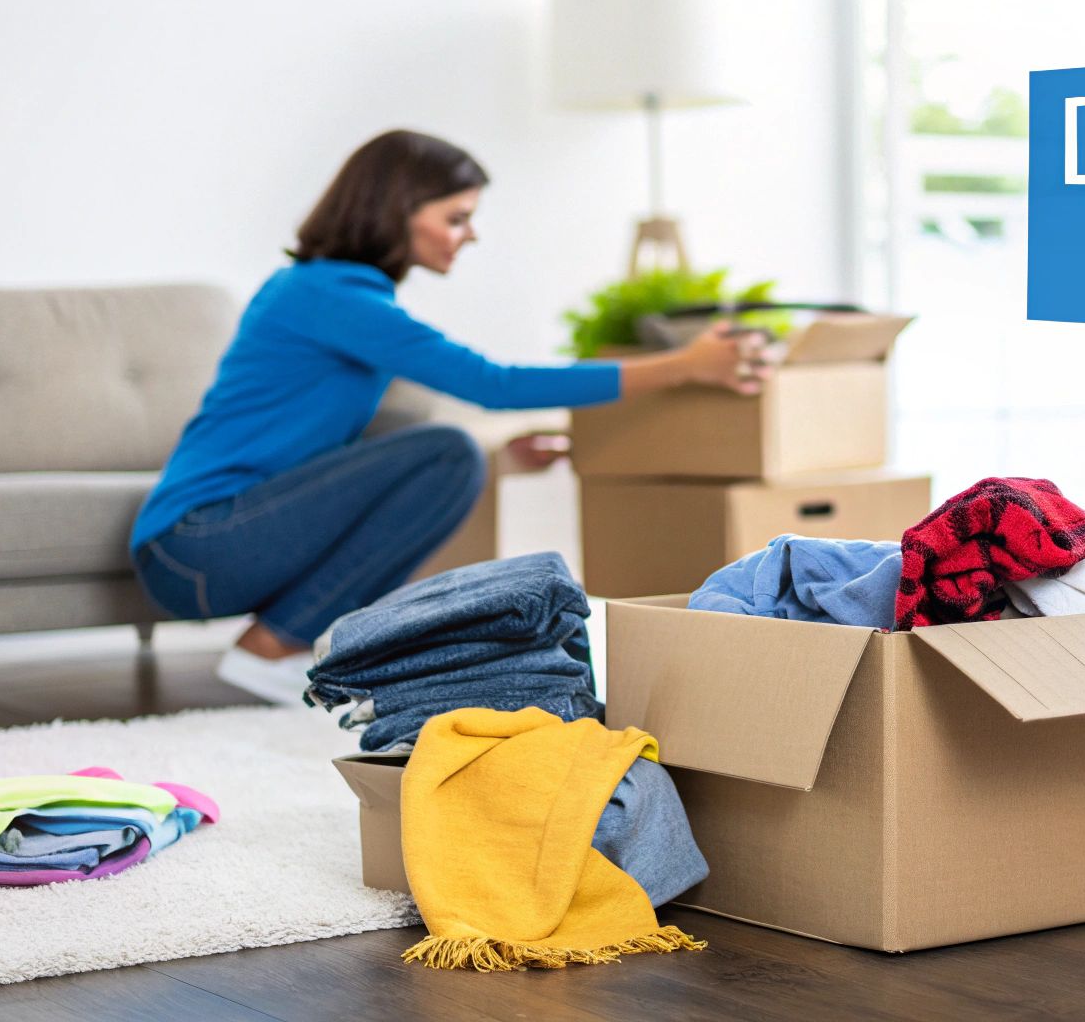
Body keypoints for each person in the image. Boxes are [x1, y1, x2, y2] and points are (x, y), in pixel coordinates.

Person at [129, 129, 764, 703]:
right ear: (397, 210)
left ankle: (275, 648)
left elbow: (333, 454)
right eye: (457, 217)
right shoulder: (328, 296)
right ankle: (271, 649)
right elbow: (494, 383)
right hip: (198, 545)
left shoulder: (328, 294)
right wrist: (685, 366)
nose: (470, 234)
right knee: (448, 451)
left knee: (453, 457)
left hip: (208, 548)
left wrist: (495, 460)